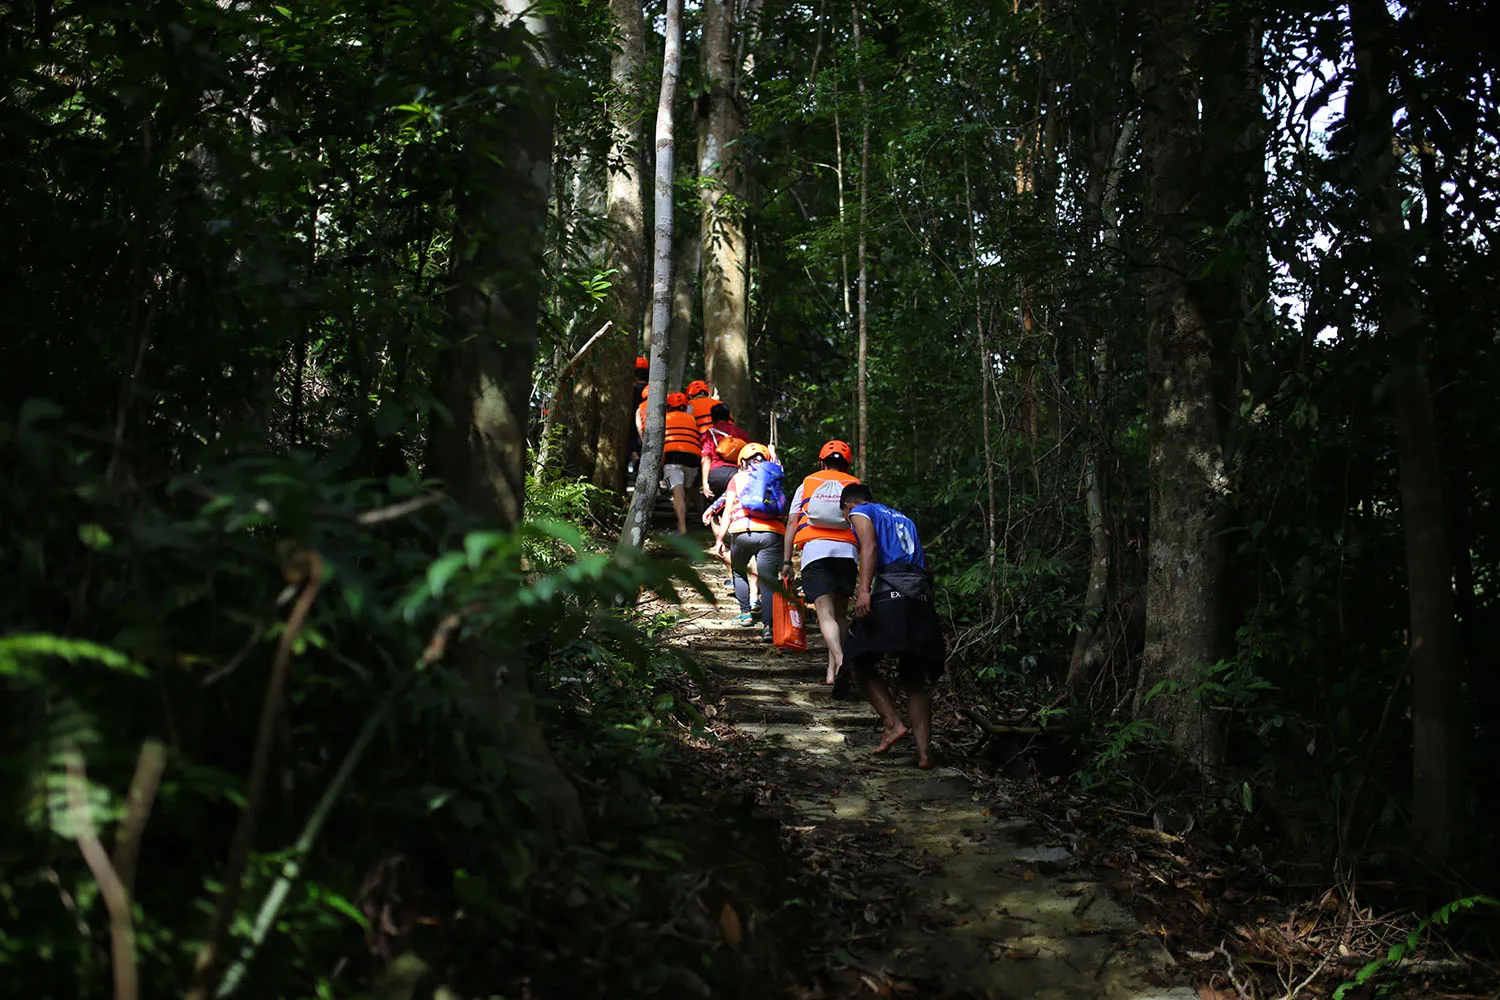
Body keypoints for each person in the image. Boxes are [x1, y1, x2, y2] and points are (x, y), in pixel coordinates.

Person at [838, 483, 944, 769]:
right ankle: (924, 754)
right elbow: (924, 562)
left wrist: (863, 592)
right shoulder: (903, 518)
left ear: (848, 505)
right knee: (913, 675)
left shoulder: (860, 512)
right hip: (920, 596)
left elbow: (869, 547)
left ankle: (892, 723)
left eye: (846, 516)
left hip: (891, 593)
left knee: (857, 659)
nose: (849, 522)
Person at [781, 440, 860, 685]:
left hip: (816, 552)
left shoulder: (807, 483)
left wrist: (786, 561)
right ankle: (832, 672)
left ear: (821, 461)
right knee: (841, 615)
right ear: (847, 464)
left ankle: (841, 659)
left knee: (825, 615)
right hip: (847, 554)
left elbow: (793, 523)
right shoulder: (854, 484)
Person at [702, 443, 785, 642]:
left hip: (743, 532)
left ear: (741, 462)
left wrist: (720, 539)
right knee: (768, 579)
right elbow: (780, 470)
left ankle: (746, 613)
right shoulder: (774, 475)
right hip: (772, 534)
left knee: (738, 570)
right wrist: (773, 453)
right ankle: (768, 627)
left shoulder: (737, 478)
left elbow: (729, 510)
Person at [663, 391, 703, 535]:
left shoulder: (665, 419)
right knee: (686, 492)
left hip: (672, 458)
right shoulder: (691, 419)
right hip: (692, 460)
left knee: (678, 494)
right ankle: (691, 519)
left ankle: (682, 528)